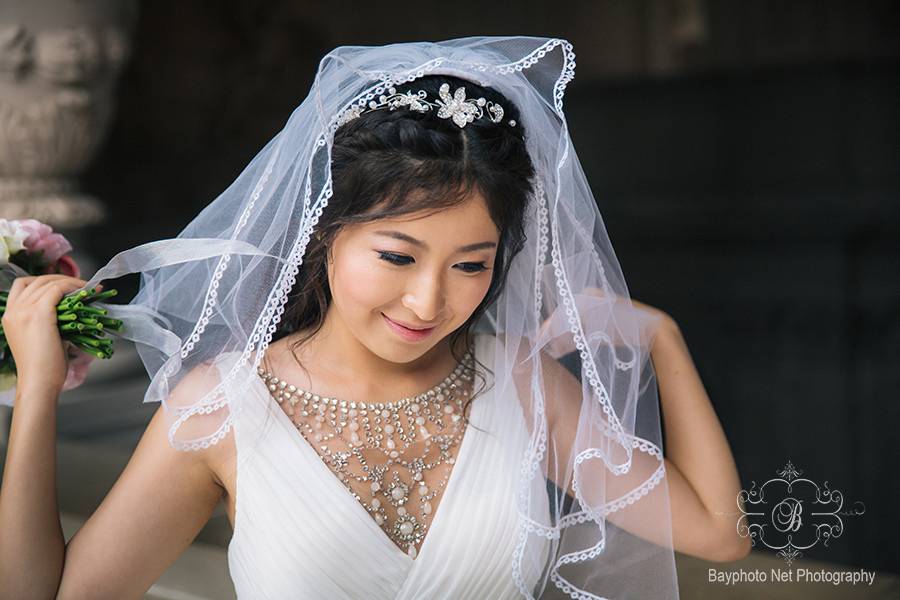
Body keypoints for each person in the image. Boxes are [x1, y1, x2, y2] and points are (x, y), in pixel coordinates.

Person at [0, 37, 749, 599]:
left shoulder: (520, 383)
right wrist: (36, 390)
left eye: (470, 265)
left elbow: (719, 534)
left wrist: (662, 340)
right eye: (397, 257)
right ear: (325, 235)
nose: (429, 303)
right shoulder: (223, 407)